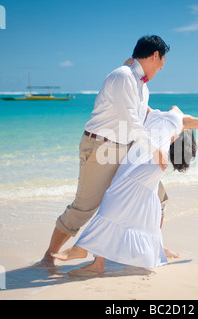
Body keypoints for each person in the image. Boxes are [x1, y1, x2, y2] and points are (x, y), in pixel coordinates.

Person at [51, 106, 198, 274]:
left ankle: (88, 252)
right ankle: (106, 260)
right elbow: (130, 103)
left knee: (115, 198)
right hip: (135, 158)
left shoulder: (183, 121)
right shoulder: (152, 112)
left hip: (149, 162)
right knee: (144, 207)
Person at [38, 35, 171, 268]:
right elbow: (131, 121)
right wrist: (156, 150)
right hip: (101, 146)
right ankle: (49, 256)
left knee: (157, 195)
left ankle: (151, 248)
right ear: (155, 55)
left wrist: (174, 122)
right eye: (162, 61)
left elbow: (141, 116)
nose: (162, 67)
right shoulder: (123, 76)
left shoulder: (140, 84)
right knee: (84, 207)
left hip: (126, 147)